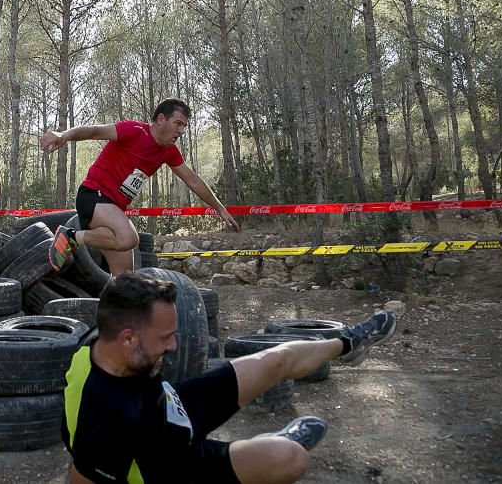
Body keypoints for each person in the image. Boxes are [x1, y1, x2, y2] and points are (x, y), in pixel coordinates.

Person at [63, 272, 399, 484]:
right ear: (128, 339)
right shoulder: (107, 424)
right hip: (170, 465)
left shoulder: (95, 341)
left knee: (274, 360)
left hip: (169, 406)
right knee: (291, 460)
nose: (175, 344)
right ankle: (278, 443)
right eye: (165, 337)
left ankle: (347, 343)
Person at [39, 98, 240, 274]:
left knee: (124, 279)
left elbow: (193, 180)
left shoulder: (168, 151)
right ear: (161, 119)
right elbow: (94, 130)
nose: (181, 130)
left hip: (114, 208)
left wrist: (219, 208)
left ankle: (106, 316)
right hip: (94, 195)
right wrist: (63, 134)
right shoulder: (133, 131)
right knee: (129, 239)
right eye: (178, 123)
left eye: (184, 126)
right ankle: (70, 236)